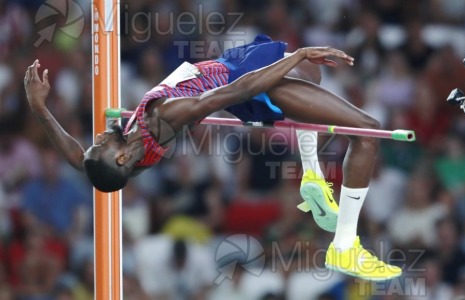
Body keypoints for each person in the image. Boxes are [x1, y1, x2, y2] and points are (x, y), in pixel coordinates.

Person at [24, 34, 401, 280]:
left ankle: (311, 176)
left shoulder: (130, 159)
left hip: (232, 70)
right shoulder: (164, 115)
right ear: (121, 158)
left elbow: (79, 161)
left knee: (311, 77)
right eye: (102, 143)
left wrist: (40, 109)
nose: (101, 134)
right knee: (366, 131)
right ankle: (345, 246)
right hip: (243, 81)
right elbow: (232, 93)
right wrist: (300, 53)